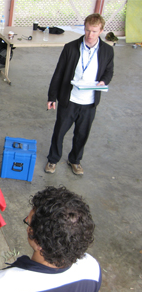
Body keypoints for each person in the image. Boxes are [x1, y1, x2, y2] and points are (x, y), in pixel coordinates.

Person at [0, 186, 101, 292]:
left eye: (28, 222)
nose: (26, 222)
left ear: (38, 242)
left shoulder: (1, 288)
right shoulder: (92, 268)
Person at [45, 13, 114, 175]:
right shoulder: (70, 48)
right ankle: (53, 159)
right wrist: (51, 97)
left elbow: (109, 71)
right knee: (59, 132)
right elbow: (59, 73)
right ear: (84, 28)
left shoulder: (107, 51)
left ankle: (75, 160)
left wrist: (103, 81)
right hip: (69, 100)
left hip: (89, 102)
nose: (90, 35)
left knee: (82, 134)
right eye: (88, 30)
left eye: (94, 31)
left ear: (101, 31)